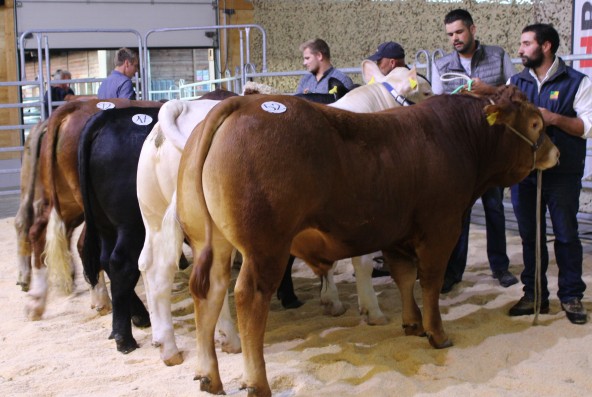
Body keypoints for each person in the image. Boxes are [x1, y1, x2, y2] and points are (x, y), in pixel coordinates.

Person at [508, 24, 592, 325]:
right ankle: (535, 294)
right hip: (525, 173)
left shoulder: (577, 82)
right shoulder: (515, 82)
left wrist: (554, 118)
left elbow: (587, 127)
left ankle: (570, 296)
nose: (520, 49)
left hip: (562, 172)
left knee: (566, 235)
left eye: (526, 43)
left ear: (545, 47)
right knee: (531, 236)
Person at [432, 9, 518, 293]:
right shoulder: (442, 65)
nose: (455, 38)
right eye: (450, 35)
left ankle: (500, 267)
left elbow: (514, 94)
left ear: (472, 29)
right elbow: (435, 104)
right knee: (459, 212)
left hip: (492, 148)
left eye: (459, 32)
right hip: (459, 152)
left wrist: (488, 89)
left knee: (494, 208)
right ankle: (454, 271)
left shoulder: (498, 55)